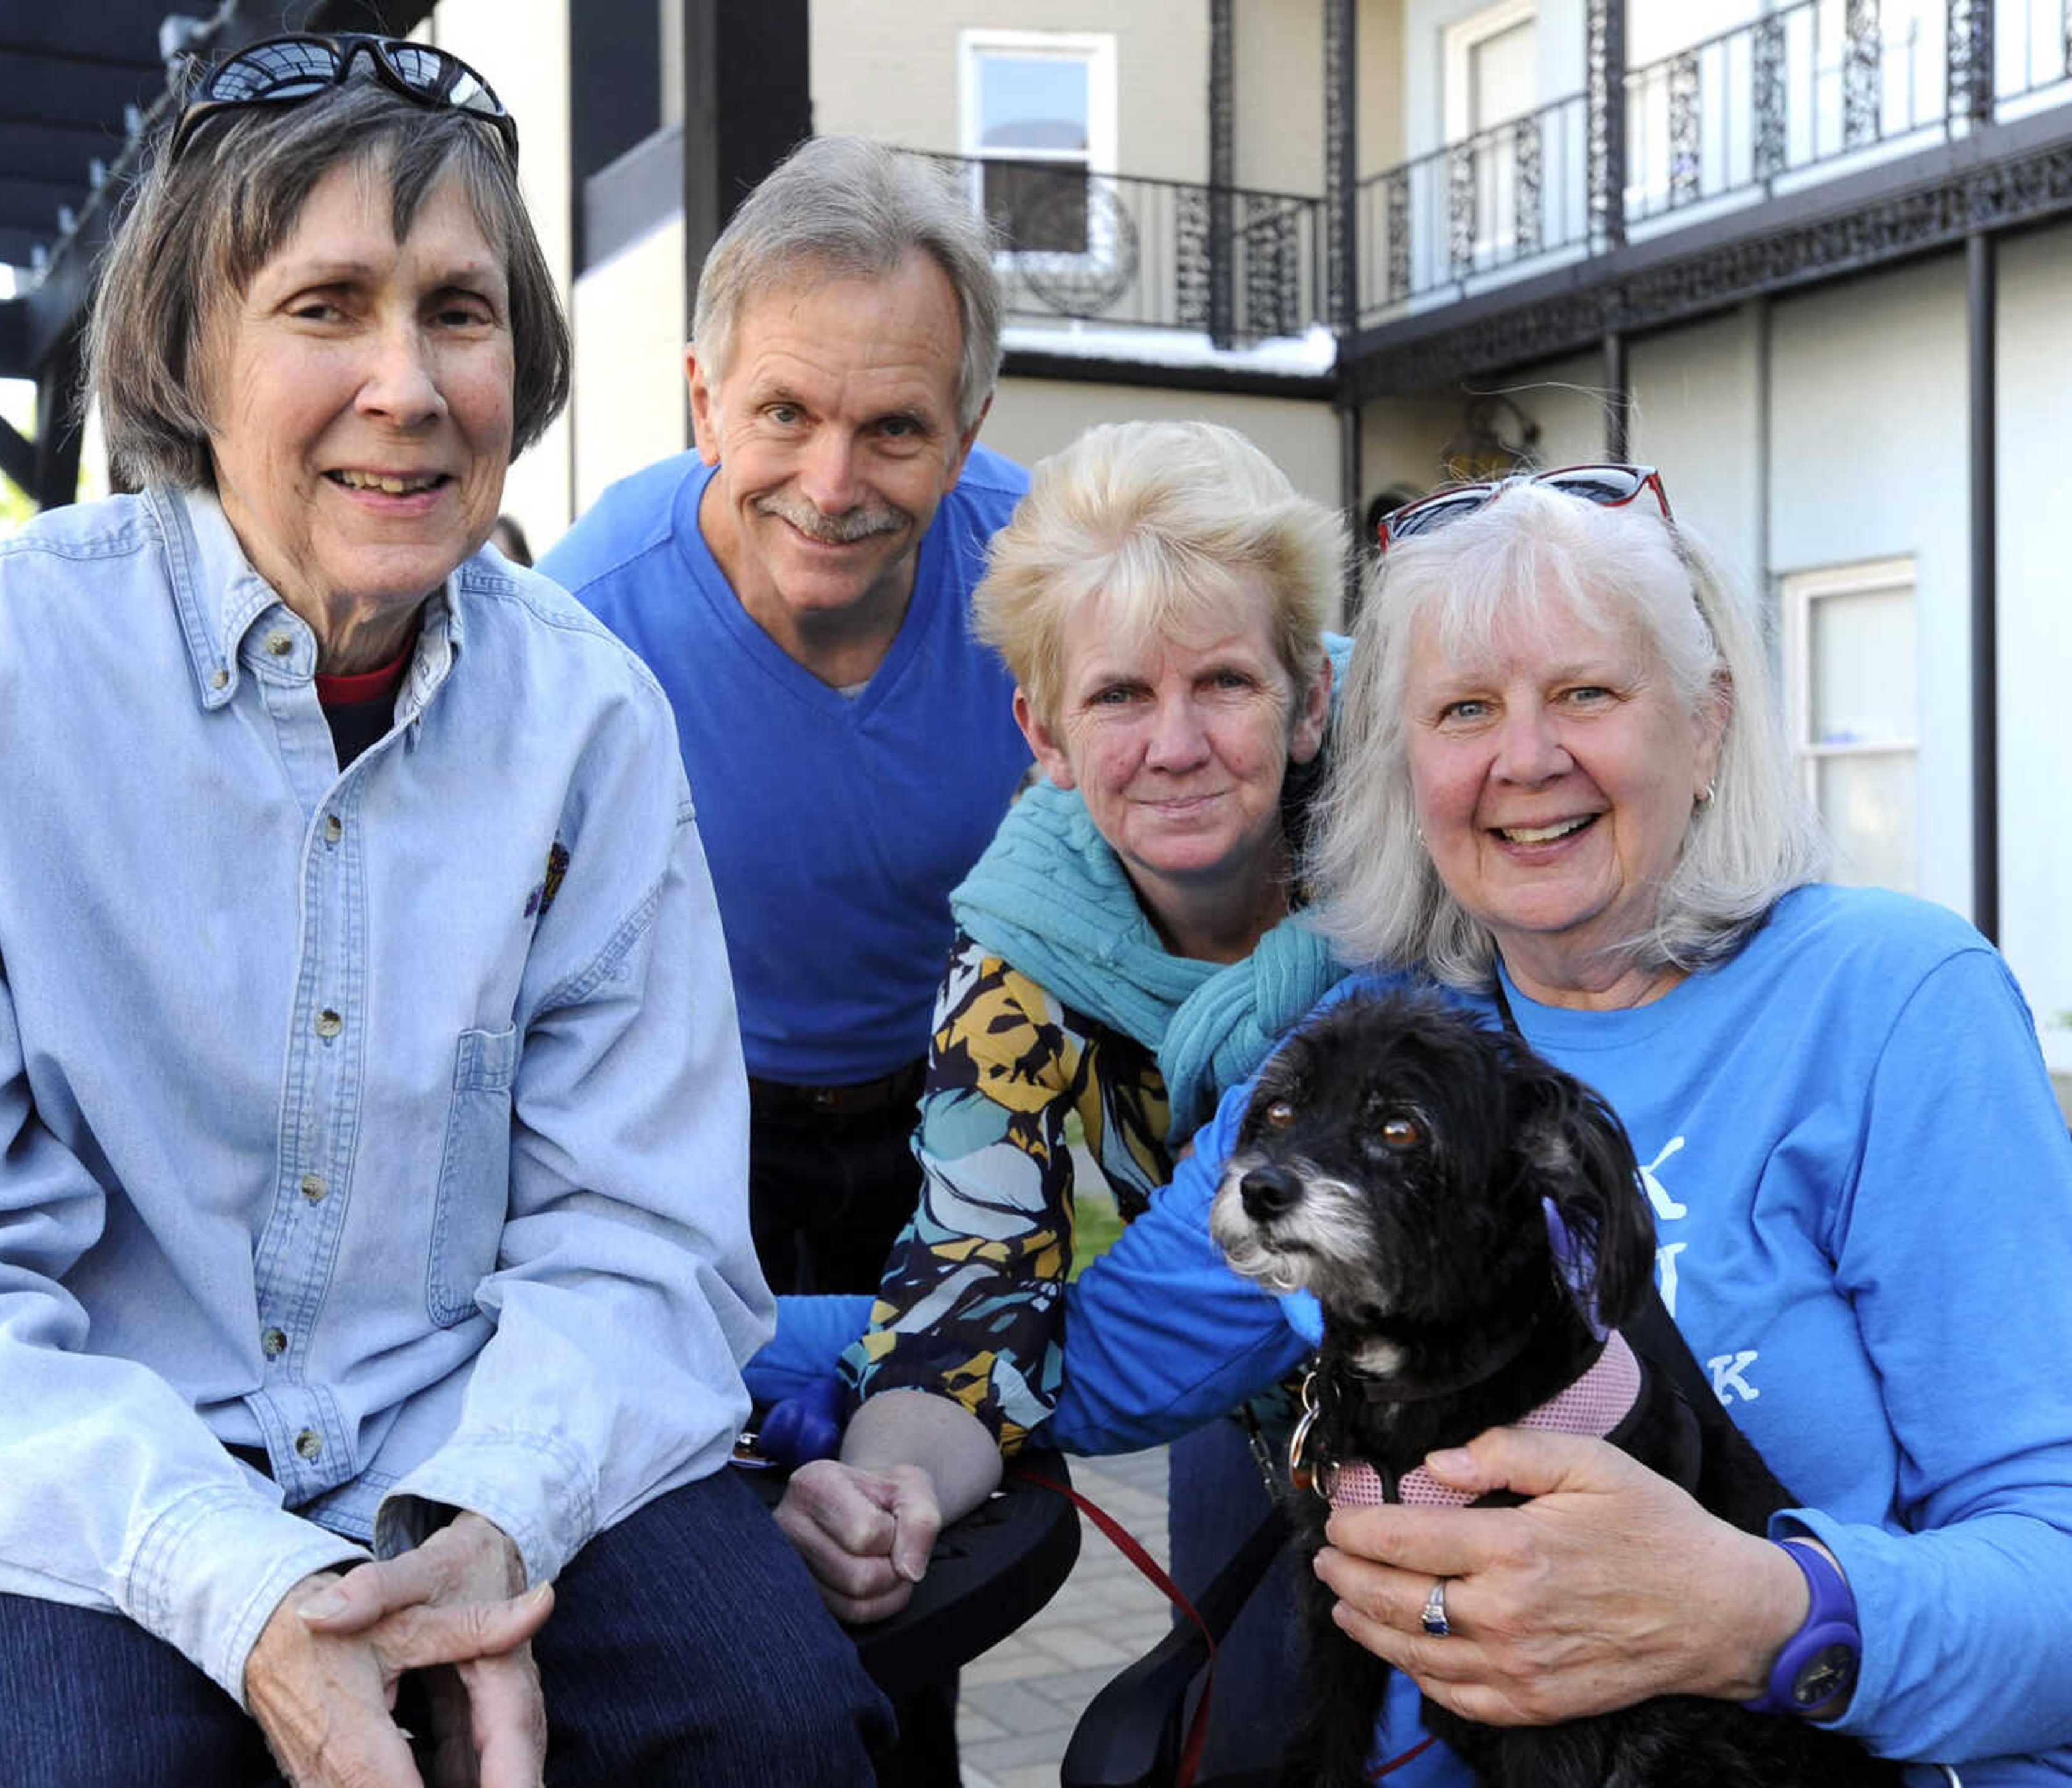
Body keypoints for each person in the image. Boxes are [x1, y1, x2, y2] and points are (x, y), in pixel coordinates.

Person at [0, 33, 887, 1788]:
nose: (406, 383)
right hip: (20, 1462)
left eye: (458, 313)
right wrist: (236, 1579)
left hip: (447, 1431)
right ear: (188, 349)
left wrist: (499, 1515)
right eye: (325, 305)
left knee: (771, 1733)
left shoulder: (589, 716)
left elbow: (644, 1235)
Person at [1041, 463, 2072, 1782]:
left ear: (1704, 729)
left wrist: (1761, 1614)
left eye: (1586, 692)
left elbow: (2051, 1564)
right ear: (1407, 767)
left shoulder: (1887, 1000)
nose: (1526, 760)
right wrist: (732, 1352)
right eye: (1465, 708)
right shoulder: (1376, 1056)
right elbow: (1082, 1356)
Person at [771, 420, 1350, 1776]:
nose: (1178, 744)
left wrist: (778, 1344)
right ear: (1041, 730)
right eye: (1117, 698)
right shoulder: (1017, 961)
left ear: (1311, 696)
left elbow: (1161, 1329)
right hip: (1281, 1423)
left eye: (1225, 681)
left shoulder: (1418, 866)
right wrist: (897, 1487)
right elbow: (977, 1274)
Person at [541, 134, 1034, 1302]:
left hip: (958, 1101)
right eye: (785, 413)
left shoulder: (1044, 581)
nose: (831, 485)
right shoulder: (578, 630)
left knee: (967, 1462)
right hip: (681, 1123)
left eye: (896, 431)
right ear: (706, 407)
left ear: (966, 437)